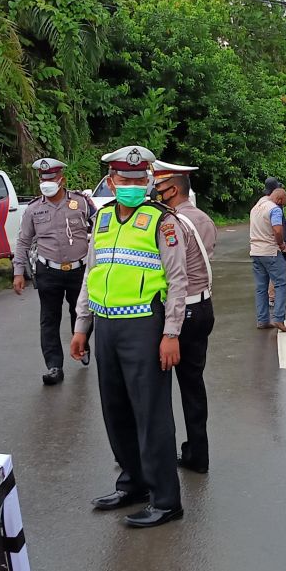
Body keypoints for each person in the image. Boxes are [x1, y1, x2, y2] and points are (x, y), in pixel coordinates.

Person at [70, 145, 187, 528]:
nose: (132, 185)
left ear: (149, 180)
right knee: (115, 411)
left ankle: (166, 499)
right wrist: (80, 327)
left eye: (139, 179)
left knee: (151, 415)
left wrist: (171, 333)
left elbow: (177, 281)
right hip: (106, 326)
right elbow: (91, 275)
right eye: (125, 179)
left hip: (145, 327)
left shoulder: (162, 222)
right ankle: (132, 483)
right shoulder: (102, 219)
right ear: (112, 181)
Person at [153, 160, 217, 474]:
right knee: (193, 386)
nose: (154, 192)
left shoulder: (171, 222)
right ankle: (197, 453)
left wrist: (170, 331)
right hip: (204, 307)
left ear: (173, 189)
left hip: (181, 311)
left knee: (159, 387)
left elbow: (174, 276)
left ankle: (158, 454)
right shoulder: (203, 218)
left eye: (158, 188)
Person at [12, 157, 94, 385]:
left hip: (80, 270)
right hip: (48, 271)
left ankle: (82, 344)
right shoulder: (33, 210)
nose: (46, 182)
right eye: (43, 179)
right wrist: (18, 271)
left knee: (82, 313)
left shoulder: (81, 203)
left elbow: (101, 228)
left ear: (61, 180)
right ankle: (54, 366)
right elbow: (23, 241)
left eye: (51, 179)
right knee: (49, 319)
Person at [250, 187, 286, 332]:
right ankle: (279, 319)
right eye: (283, 203)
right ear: (279, 200)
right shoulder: (275, 210)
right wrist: (282, 245)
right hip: (271, 252)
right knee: (280, 284)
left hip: (255, 251)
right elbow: (278, 230)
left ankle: (262, 320)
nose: (282, 206)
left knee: (261, 287)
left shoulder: (256, 207)